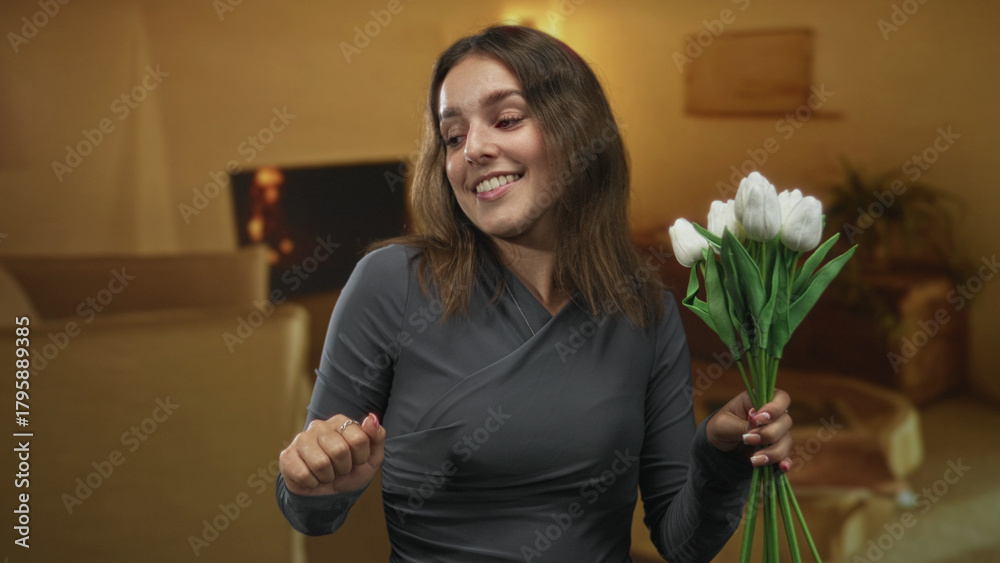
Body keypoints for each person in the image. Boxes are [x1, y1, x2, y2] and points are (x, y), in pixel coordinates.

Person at [275, 25, 794, 562]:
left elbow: (683, 544)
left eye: (506, 119)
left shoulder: (646, 309)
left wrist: (722, 456)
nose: (473, 149)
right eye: (453, 136)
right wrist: (311, 478)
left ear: (577, 131)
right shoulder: (391, 283)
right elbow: (309, 513)